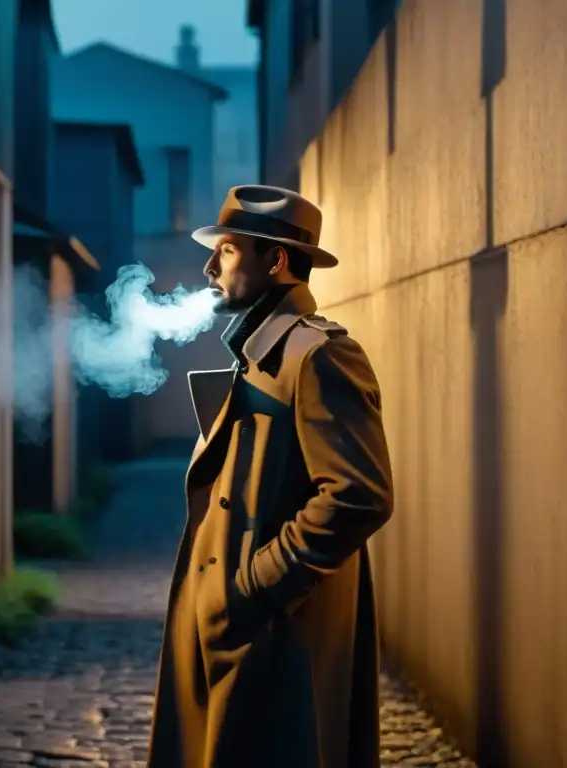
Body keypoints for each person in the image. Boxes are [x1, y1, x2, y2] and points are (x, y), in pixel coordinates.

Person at [147, 185, 395, 768]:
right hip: (238, 628)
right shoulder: (262, 354)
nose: (210, 267)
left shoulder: (320, 355)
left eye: (227, 251)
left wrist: (256, 585)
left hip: (275, 631)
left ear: (276, 260)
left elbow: (358, 495)